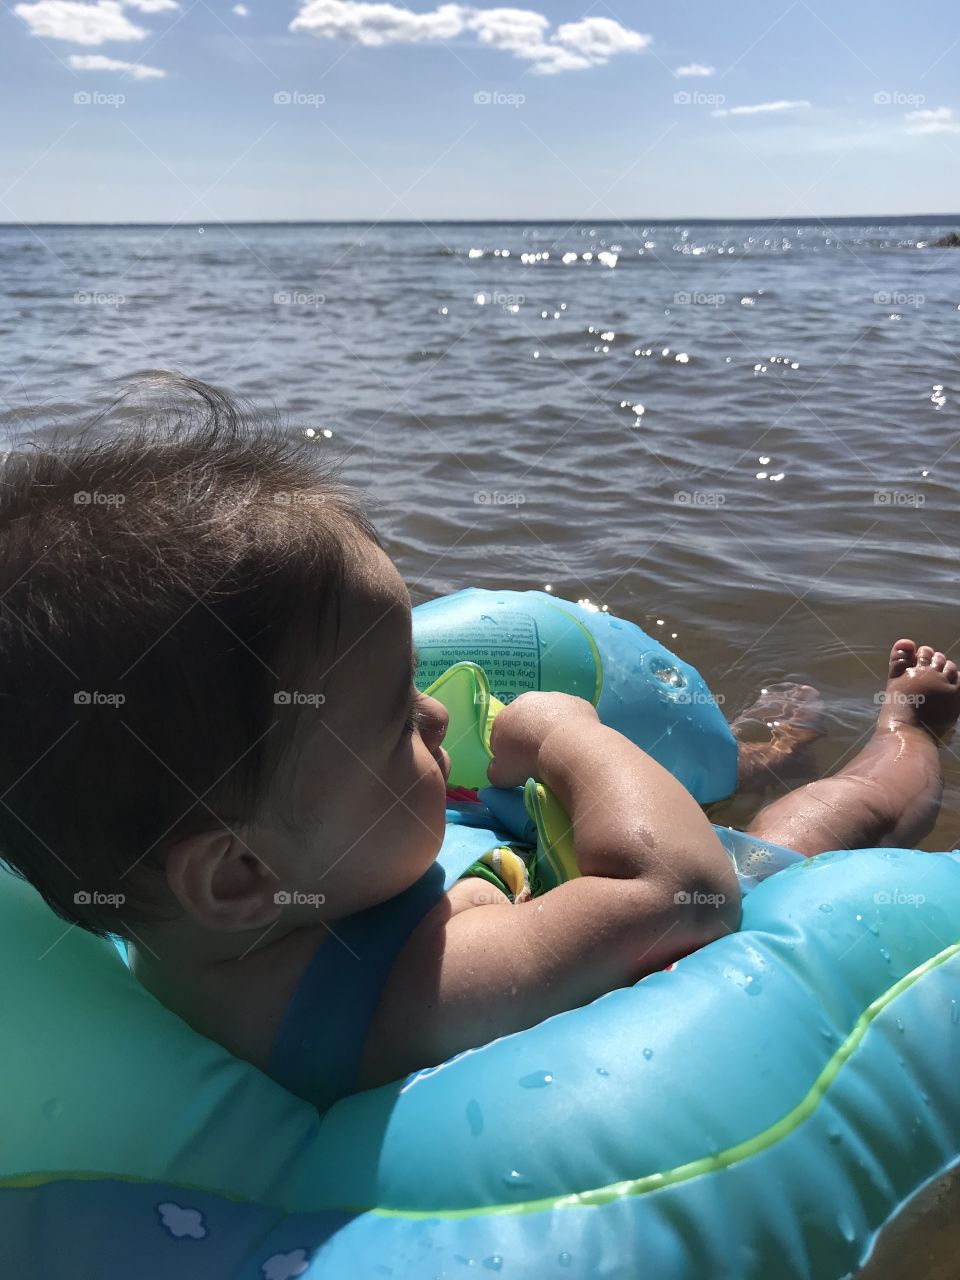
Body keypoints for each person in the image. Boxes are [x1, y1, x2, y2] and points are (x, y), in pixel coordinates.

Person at [0, 378, 955, 1111]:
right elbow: (683, 896)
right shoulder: (393, 1002)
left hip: (492, 847)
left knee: (715, 776)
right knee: (833, 815)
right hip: (665, 881)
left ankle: (761, 754)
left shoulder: (253, 909)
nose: (436, 717)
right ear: (241, 873)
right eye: (392, 722)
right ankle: (904, 727)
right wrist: (569, 733)